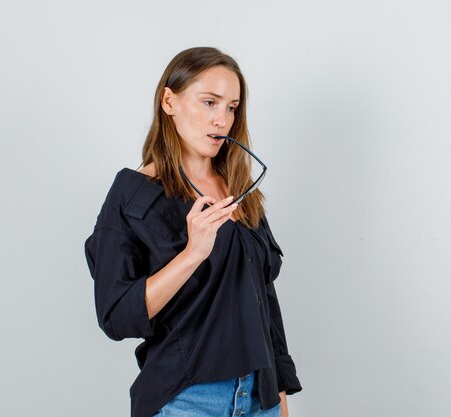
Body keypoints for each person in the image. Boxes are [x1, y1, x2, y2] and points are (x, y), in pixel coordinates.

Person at [83, 47, 302, 417]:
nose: (222, 119)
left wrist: (278, 393)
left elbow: (263, 297)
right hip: (186, 401)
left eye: (231, 107)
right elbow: (117, 316)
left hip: (257, 396)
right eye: (209, 102)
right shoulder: (132, 195)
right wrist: (193, 253)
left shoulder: (239, 188)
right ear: (169, 101)